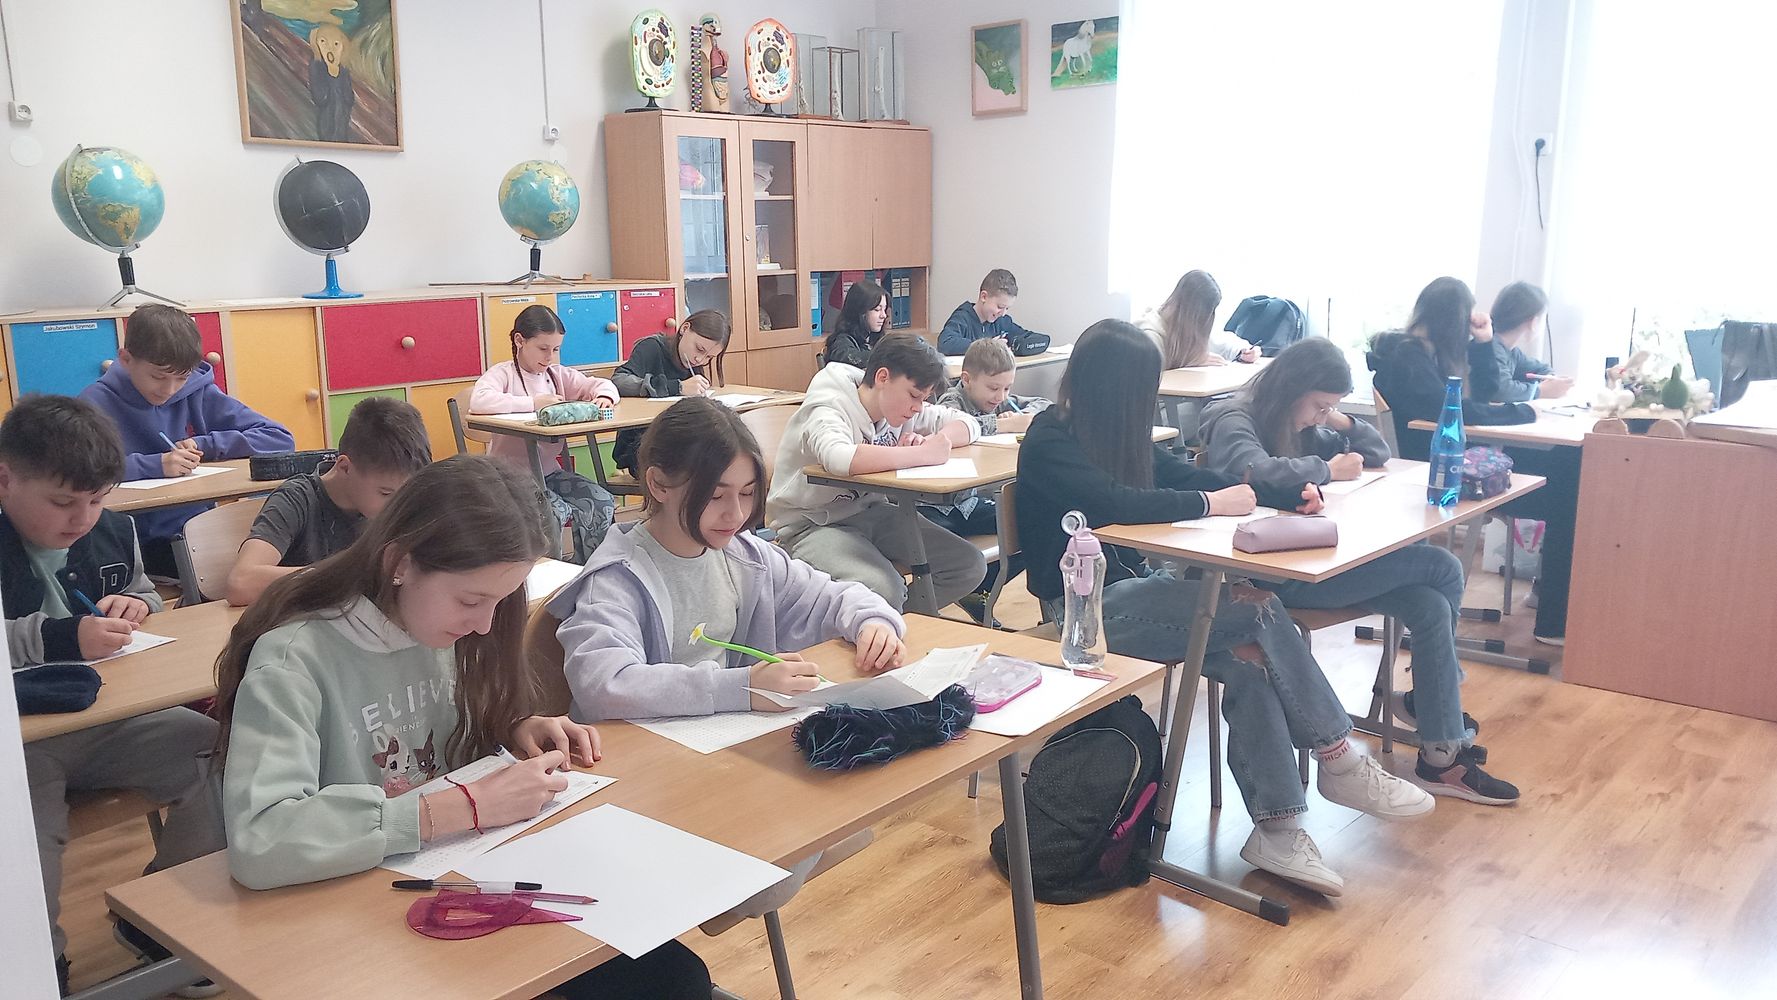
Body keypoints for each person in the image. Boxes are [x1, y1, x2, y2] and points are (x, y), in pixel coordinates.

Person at [214, 455, 712, 999]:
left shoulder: (442, 627)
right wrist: (457, 808)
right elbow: (261, 838)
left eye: (500, 601)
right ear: (400, 563)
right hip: (355, 917)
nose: (485, 623)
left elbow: (448, 739)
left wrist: (513, 728)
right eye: (472, 600)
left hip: (458, 881)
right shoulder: (294, 660)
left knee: (675, 979)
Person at [1017, 319, 1436, 898]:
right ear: (1115, 389)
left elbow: (1187, 473)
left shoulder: (1117, 435)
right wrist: (1209, 503)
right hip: (1082, 614)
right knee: (1259, 611)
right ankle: (1338, 757)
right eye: (1142, 390)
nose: (1148, 402)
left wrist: (1282, 493)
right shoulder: (1050, 440)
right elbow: (1115, 502)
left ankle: (1278, 830)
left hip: (1141, 593)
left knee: (1251, 664)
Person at [1201, 338, 1521, 804]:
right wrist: (1327, 470)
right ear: (1292, 388)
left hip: (1316, 559)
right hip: (1267, 578)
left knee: (1430, 604)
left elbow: (1376, 450)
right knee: (1442, 566)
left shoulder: (1301, 421)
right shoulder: (1236, 416)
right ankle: (1433, 704)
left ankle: (1440, 755)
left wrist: (1339, 418)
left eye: (1327, 409)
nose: (1320, 417)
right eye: (1319, 405)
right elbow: (1251, 468)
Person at [2, 396, 223, 997]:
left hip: (108, 717)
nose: (82, 518)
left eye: (97, 499)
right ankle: (39, 962)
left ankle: (158, 917)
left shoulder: (111, 530)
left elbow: (145, 593)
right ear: (5, 479)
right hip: (20, 740)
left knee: (218, 751)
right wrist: (59, 637)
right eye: (62, 503)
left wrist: (138, 605)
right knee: (24, 830)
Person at [553, 397, 906, 720]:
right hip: (647, 756)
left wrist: (872, 622)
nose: (736, 514)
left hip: (723, 741)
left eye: (747, 493)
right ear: (659, 484)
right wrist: (743, 687)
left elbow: (830, 597)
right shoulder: (616, 579)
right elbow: (604, 684)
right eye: (715, 496)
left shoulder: (745, 556)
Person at [1368, 276, 1579, 645]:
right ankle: (1553, 620)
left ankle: (1550, 600)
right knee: (1568, 492)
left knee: (1568, 465)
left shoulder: (1428, 352)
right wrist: (1522, 411)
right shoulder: (1408, 358)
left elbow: (1483, 391)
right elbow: (1456, 410)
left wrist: (1484, 343)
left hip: (1457, 459)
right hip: (1441, 474)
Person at [767, 334, 987, 612]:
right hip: (810, 524)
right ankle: (874, 619)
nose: (918, 407)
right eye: (914, 396)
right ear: (883, 377)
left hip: (873, 512)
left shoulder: (901, 408)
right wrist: (921, 455)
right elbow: (838, 457)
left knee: (968, 565)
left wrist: (933, 441)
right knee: (884, 589)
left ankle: (887, 620)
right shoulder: (829, 403)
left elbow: (969, 424)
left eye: (924, 399)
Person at [80, 304, 295, 577]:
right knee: (239, 571)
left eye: (181, 378)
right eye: (158, 376)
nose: (169, 389)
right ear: (126, 359)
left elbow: (279, 438)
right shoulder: (95, 403)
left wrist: (204, 445)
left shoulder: (197, 390)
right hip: (139, 541)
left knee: (279, 556)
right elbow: (79, 470)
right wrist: (156, 465)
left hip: (202, 529)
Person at [227, 397, 431, 605]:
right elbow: (241, 583)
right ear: (344, 467)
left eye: (405, 494)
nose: (397, 507)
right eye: (386, 493)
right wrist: (345, 575)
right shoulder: (296, 500)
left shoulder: (397, 506)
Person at [471, 304, 618, 564]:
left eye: (556, 349)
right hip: (510, 478)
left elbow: (601, 383)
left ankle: (589, 570)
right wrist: (533, 403)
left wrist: (604, 396)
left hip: (549, 474)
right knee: (552, 512)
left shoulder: (557, 375)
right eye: (543, 348)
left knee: (601, 502)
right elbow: (479, 401)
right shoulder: (503, 374)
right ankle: (550, 577)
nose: (550, 356)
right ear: (519, 340)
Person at [923, 337, 1047, 620]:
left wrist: (1026, 415)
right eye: (993, 388)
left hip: (968, 503)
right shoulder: (951, 401)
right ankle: (958, 589)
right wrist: (1005, 424)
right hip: (935, 506)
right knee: (950, 550)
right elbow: (957, 427)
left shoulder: (998, 401)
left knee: (1033, 526)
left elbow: (1044, 404)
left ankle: (980, 589)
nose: (1001, 396)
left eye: (1007, 388)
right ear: (967, 380)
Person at [612, 309, 731, 477]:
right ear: (684, 328)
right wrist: (678, 387)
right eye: (699, 349)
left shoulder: (693, 363)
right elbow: (618, 381)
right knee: (700, 470)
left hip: (680, 444)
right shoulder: (652, 347)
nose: (700, 359)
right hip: (641, 447)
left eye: (709, 357)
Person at [1472, 281, 1574, 402]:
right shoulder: (1490, 348)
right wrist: (1541, 391)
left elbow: (1540, 368)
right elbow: (1501, 391)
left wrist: (1550, 379)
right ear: (1534, 322)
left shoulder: (1511, 351)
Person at [1134, 269, 1260, 367]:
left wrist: (1245, 351)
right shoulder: (1149, 332)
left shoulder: (1191, 326)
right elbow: (1150, 372)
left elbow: (1223, 342)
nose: (1208, 319)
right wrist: (1193, 361)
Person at [936, 268, 1051, 356]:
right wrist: (988, 346)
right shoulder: (962, 318)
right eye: (1000, 306)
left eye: (1007, 308)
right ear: (984, 297)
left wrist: (1021, 344)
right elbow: (945, 343)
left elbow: (1025, 336)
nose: (1003, 313)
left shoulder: (1002, 321)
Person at [822, 278, 891, 369]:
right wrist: (888, 357)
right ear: (860, 311)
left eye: (884, 309)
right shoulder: (841, 341)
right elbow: (852, 358)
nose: (883, 315)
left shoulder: (874, 337)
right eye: (877, 310)